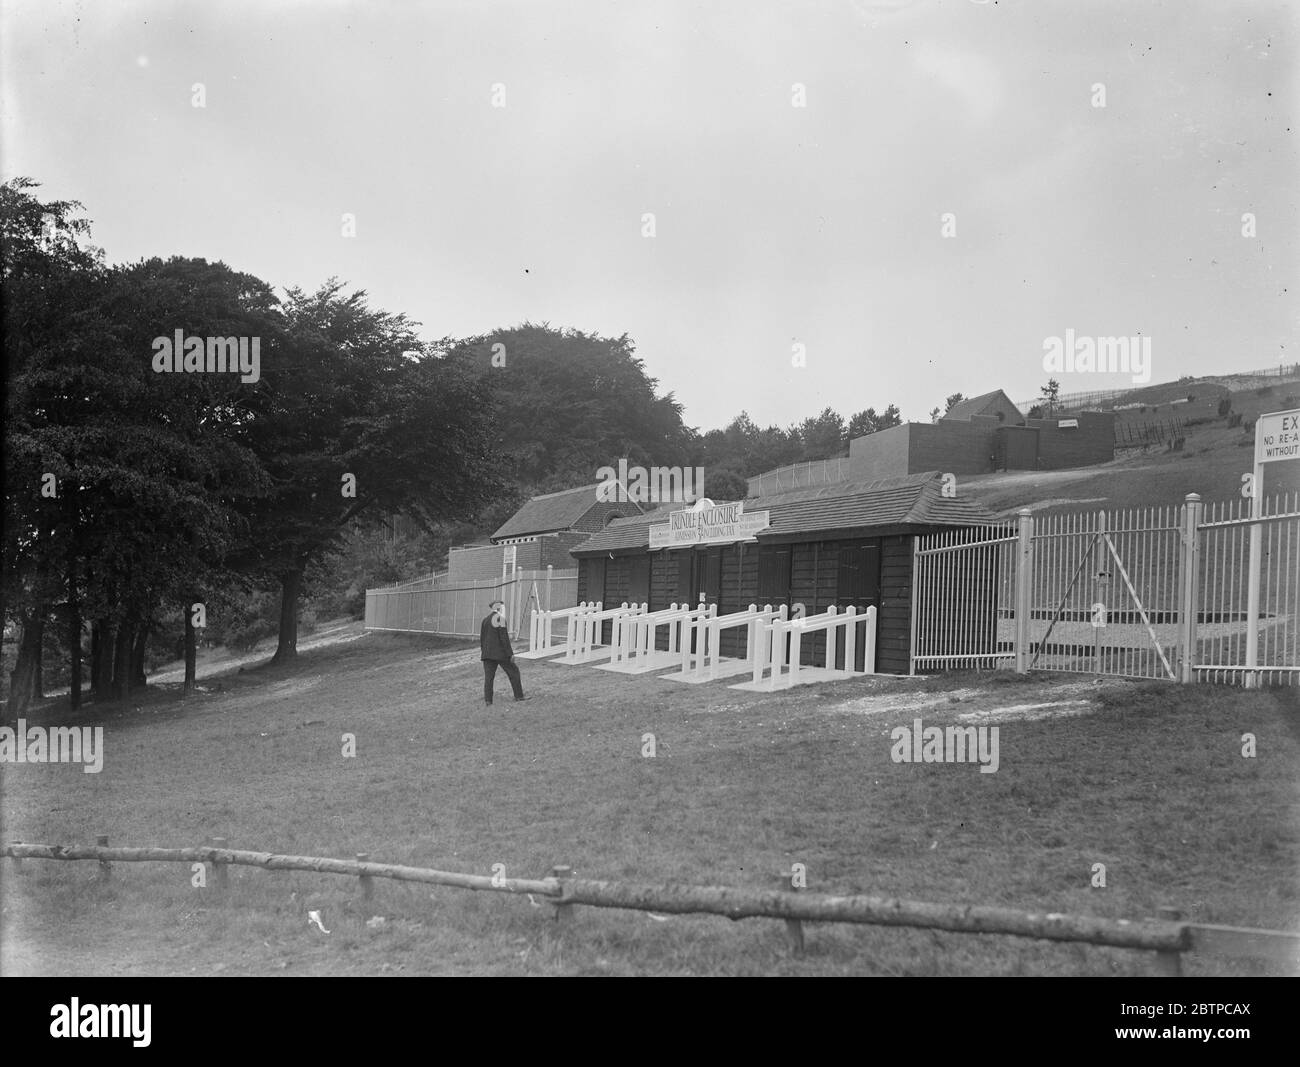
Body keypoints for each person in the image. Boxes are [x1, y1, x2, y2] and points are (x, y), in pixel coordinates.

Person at [480, 599, 526, 706]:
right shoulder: (499, 619)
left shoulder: (485, 620)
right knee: (513, 672)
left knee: (489, 678)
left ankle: (488, 701)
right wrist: (510, 654)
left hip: (487, 654)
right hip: (500, 653)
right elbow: (504, 638)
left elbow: (482, 639)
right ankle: (519, 696)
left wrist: (484, 652)